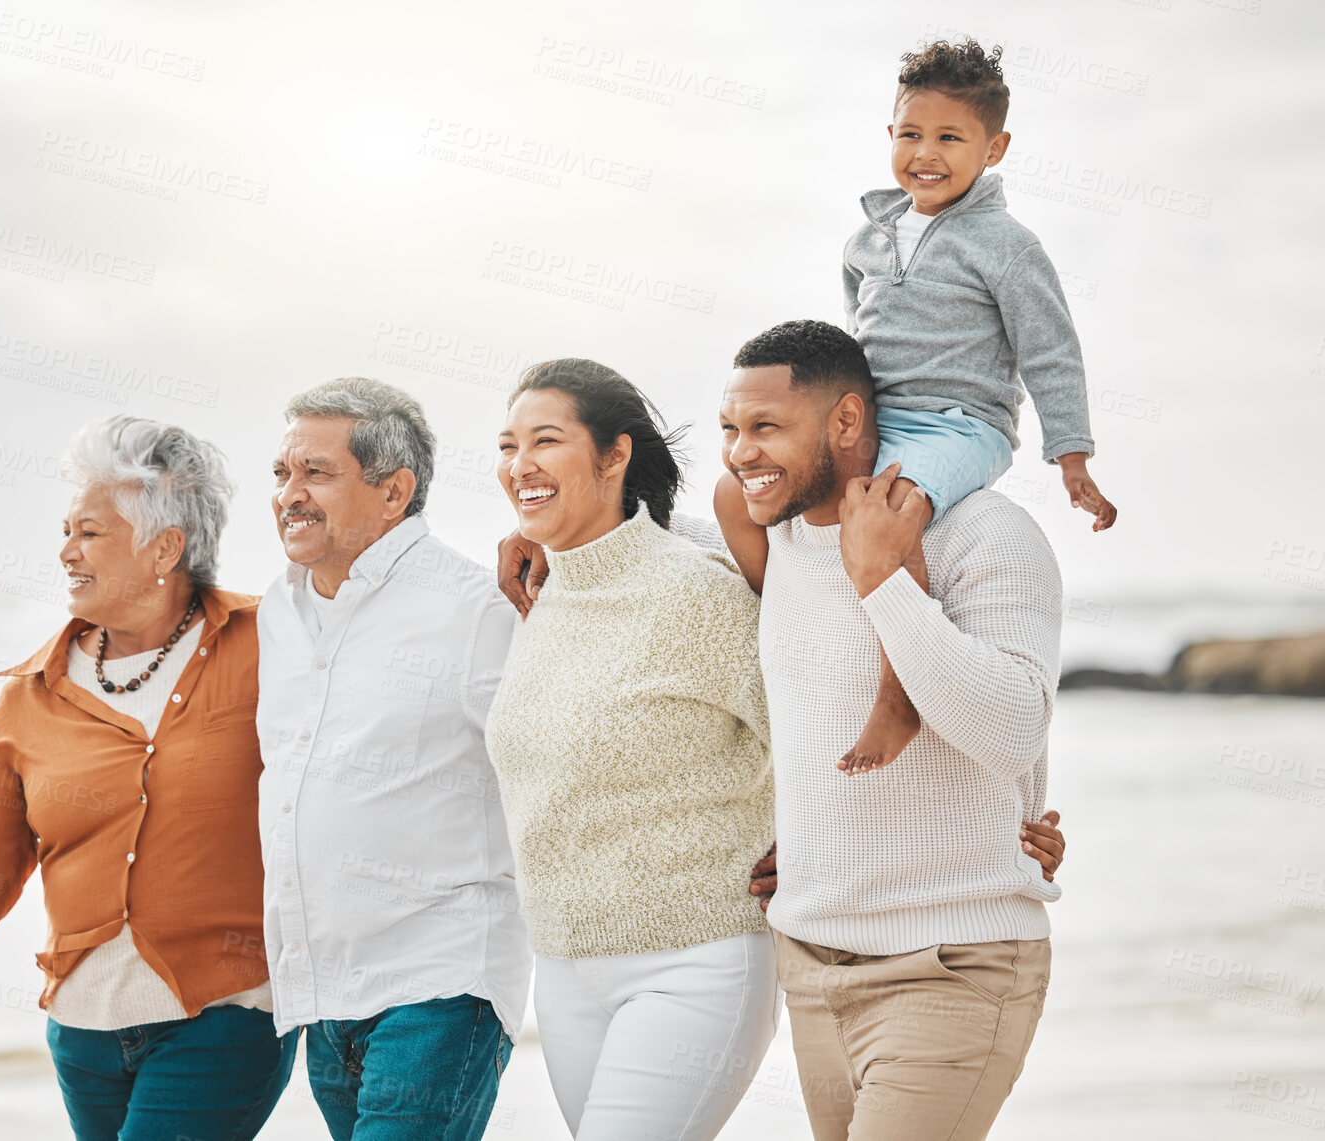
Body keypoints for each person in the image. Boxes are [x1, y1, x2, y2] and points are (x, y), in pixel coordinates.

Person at [0, 416, 295, 1141]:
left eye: (88, 532)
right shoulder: (32, 695)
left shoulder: (274, 645)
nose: (65, 552)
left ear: (164, 547)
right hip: (82, 1037)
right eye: (66, 529)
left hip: (225, 1019)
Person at [720, 38, 1117, 776]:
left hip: (961, 423)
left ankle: (901, 693)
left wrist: (1072, 454)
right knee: (730, 491)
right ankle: (799, 613)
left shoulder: (1005, 245)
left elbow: (1052, 349)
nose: (924, 153)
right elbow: (854, 336)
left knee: (891, 506)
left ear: (994, 148)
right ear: (891, 135)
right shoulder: (867, 238)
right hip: (884, 414)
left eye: (949, 138)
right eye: (910, 133)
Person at [722, 319, 1064, 1141]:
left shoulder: (985, 533)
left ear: (845, 422)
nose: (740, 452)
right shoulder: (779, 537)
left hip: (949, 964)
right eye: (731, 428)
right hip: (810, 962)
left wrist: (883, 580)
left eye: (766, 427)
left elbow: (1014, 728)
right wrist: (548, 540)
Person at [483, 359, 778, 1141]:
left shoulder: (698, 592)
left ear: (614, 456)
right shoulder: (540, 594)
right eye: (509, 445)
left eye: (546, 440)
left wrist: (819, 844)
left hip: (696, 960)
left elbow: (815, 734)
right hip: (567, 972)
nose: (520, 465)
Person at [258, 377, 529, 1141]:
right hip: (323, 995)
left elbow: (557, 767)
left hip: (442, 980)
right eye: (282, 474)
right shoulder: (277, 612)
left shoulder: (475, 609)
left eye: (316, 472)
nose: (289, 494)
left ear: (394, 490)